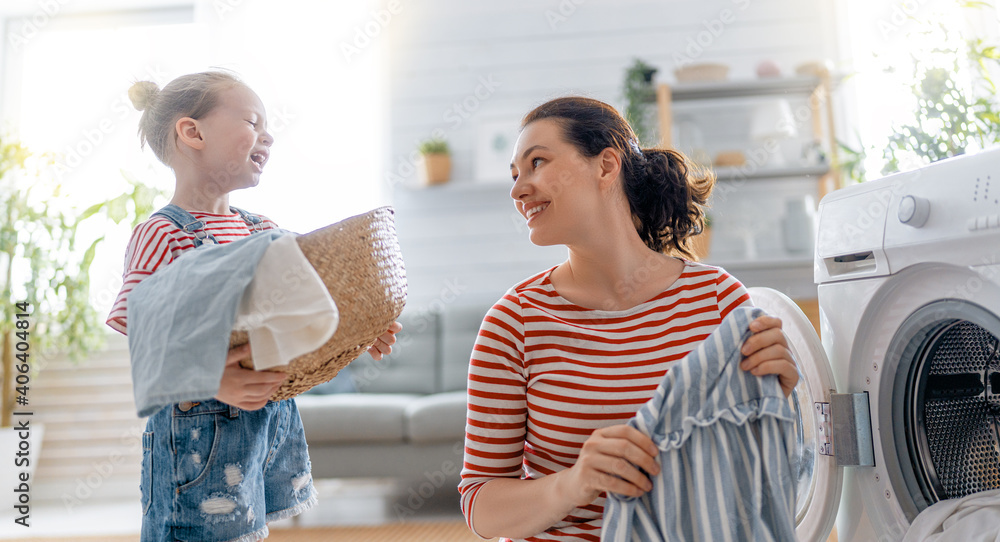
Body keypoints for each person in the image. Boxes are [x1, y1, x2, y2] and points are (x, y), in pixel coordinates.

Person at [457, 96, 799, 542]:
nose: (518, 189)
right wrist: (575, 482)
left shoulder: (716, 299)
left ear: (605, 166)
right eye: (515, 174)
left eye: (537, 162)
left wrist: (781, 394)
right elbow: (480, 504)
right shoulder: (514, 323)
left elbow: (756, 469)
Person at [106, 70, 401, 542]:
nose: (268, 135)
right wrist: (213, 378)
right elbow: (144, 338)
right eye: (251, 120)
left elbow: (299, 307)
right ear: (193, 132)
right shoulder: (163, 233)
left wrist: (355, 327)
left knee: (245, 531)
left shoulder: (262, 229)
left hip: (262, 423)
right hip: (195, 438)